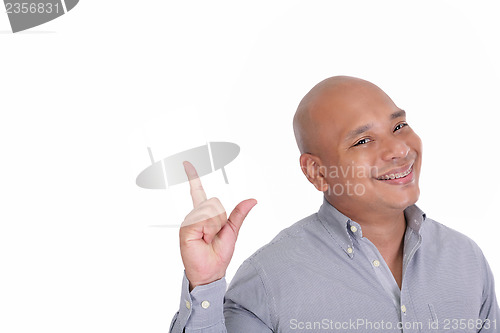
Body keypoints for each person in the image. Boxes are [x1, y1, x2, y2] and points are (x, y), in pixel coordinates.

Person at [169, 76, 499, 332]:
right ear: (317, 172)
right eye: (363, 140)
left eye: (399, 125)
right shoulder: (269, 279)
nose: (399, 149)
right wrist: (206, 283)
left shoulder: (465, 258)